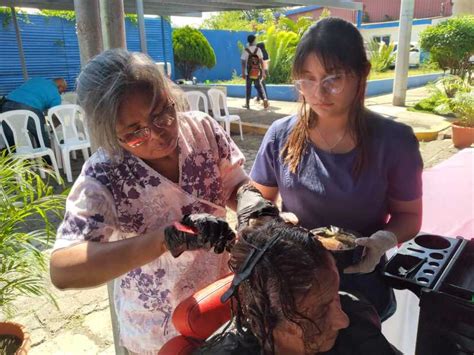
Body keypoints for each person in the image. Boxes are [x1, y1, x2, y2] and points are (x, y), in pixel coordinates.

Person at [49, 48, 248, 353]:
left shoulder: (202, 130)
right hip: (157, 330)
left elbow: (234, 183)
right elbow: (63, 269)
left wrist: (254, 205)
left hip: (218, 302)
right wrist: (164, 240)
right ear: (112, 136)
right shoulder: (104, 174)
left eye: (162, 114)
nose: (158, 134)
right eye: (135, 133)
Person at [248, 17, 423, 321]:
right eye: (307, 79)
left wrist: (384, 240)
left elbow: (409, 216)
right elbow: (256, 201)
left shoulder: (395, 141)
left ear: (362, 73)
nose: (318, 92)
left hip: (361, 284)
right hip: (294, 283)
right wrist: (269, 219)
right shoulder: (280, 134)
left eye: (333, 78)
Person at [197, 221, 401, 354]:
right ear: (267, 320)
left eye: (336, 298)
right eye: (320, 311)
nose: (342, 320)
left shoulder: (356, 315)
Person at [1, 77, 67, 149]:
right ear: (60, 87)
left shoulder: (36, 79)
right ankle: (47, 159)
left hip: (6, 105)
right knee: (42, 136)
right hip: (29, 109)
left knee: (12, 137)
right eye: (62, 91)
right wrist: (52, 127)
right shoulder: (56, 95)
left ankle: (15, 158)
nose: (61, 93)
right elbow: (55, 115)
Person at [241, 34, 268, 110]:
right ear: (253, 40)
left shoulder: (246, 50)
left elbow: (243, 62)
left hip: (248, 73)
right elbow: (261, 61)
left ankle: (247, 104)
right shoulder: (258, 50)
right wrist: (263, 72)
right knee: (258, 86)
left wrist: (243, 72)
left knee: (248, 88)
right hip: (257, 72)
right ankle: (264, 99)